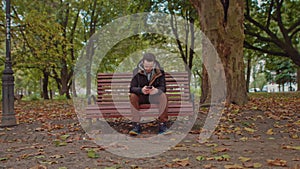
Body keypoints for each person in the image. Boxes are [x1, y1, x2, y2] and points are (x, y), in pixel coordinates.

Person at [129, 53, 169, 135]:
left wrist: (156, 90)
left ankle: (162, 125)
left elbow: (163, 87)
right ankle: (136, 126)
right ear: (143, 62)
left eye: (151, 67)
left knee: (163, 95)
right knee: (132, 96)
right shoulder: (136, 71)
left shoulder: (160, 71)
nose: (148, 69)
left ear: (154, 63)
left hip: (154, 97)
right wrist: (141, 90)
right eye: (146, 66)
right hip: (142, 97)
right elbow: (132, 88)